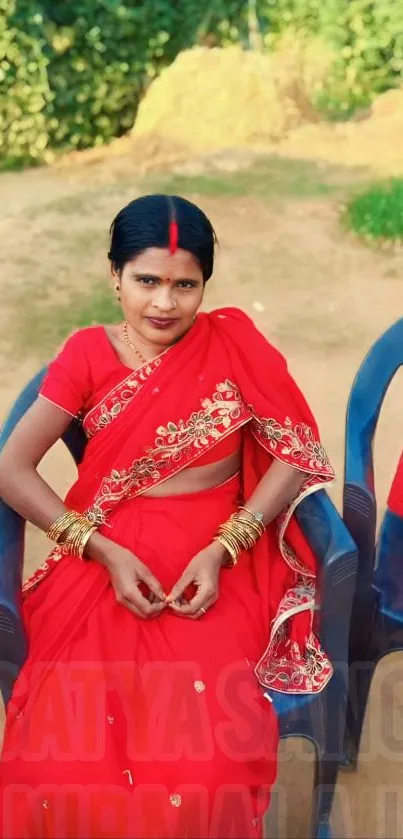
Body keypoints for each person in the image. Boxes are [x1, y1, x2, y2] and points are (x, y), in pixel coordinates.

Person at [0, 194, 334, 839]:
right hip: (106, 557)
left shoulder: (232, 342)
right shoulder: (87, 354)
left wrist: (226, 546)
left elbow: (294, 451)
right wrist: (99, 549)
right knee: (67, 752)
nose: (164, 303)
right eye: (146, 281)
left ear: (206, 284)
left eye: (186, 285)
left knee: (204, 758)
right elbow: (12, 468)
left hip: (217, 564)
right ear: (114, 277)